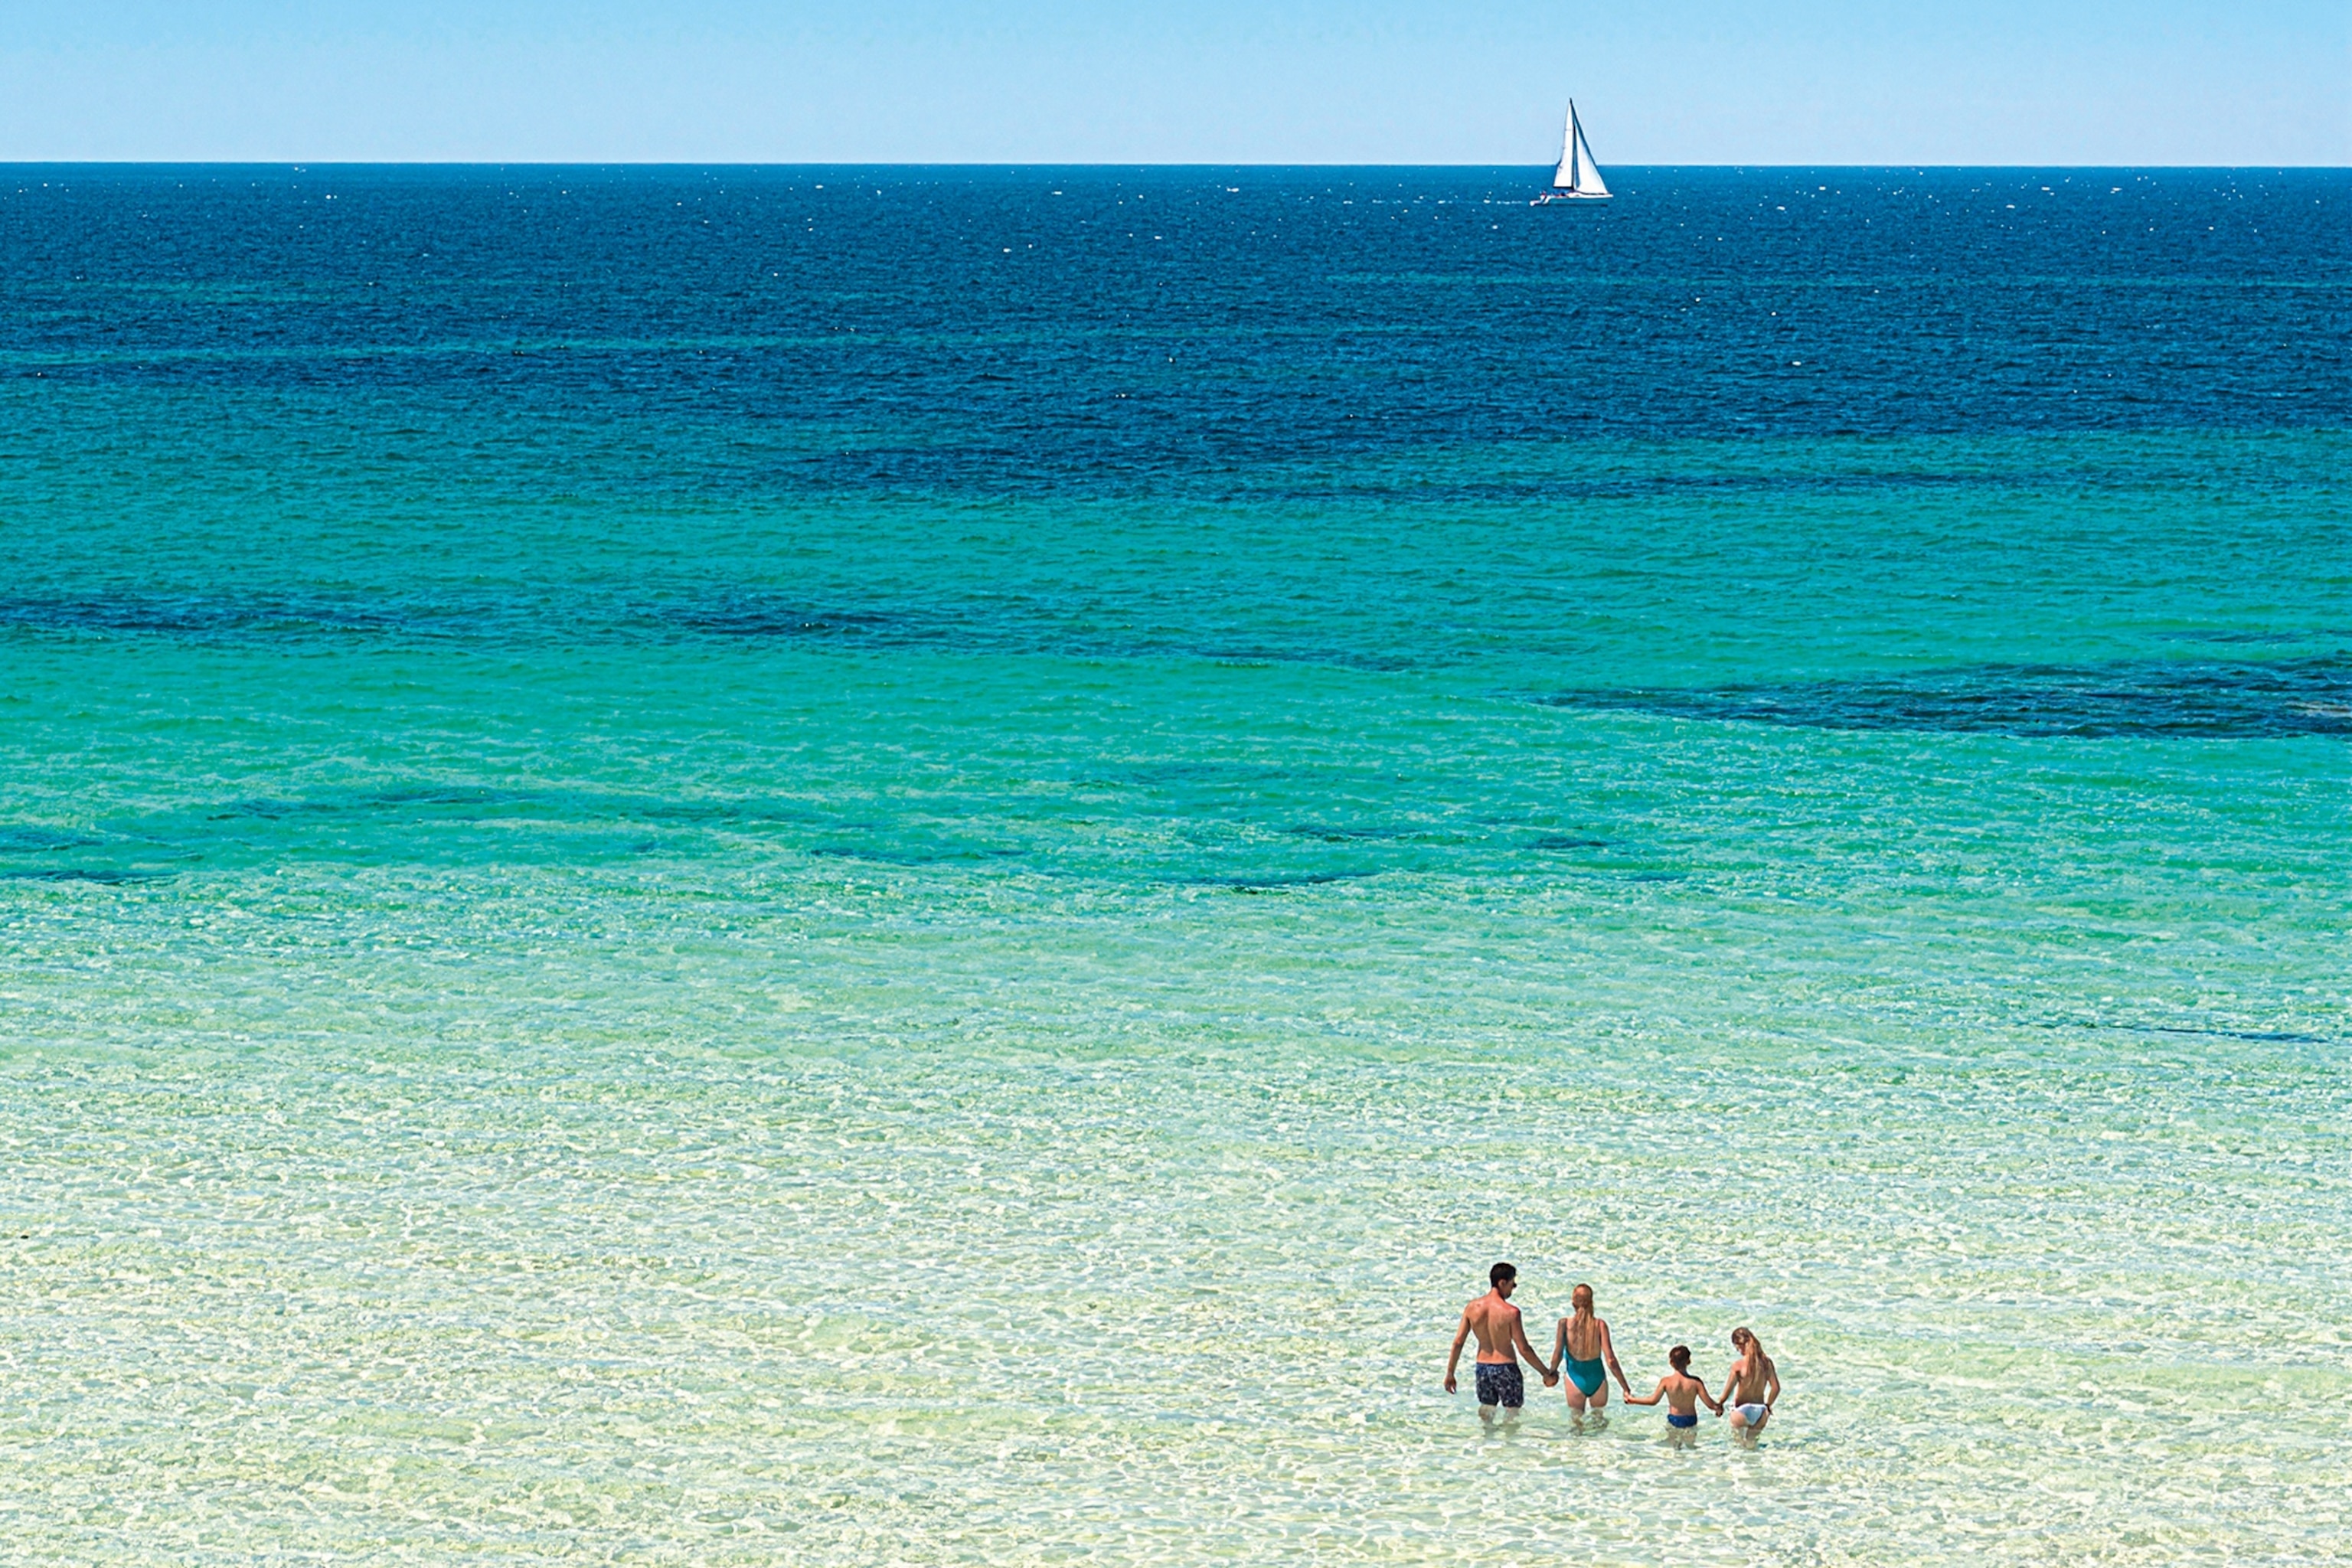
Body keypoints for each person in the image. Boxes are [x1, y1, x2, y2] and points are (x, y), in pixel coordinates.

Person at [1444, 1263, 1557, 1417]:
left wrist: (1450, 1373)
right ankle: (1509, 1442)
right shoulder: (1511, 1312)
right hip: (1506, 1368)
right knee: (1512, 1414)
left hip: (1483, 1368)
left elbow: (1458, 1342)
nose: (1513, 1288)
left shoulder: (1472, 1308)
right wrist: (1545, 1373)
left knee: (1486, 1410)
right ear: (1502, 1283)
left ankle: (1486, 1440)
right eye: (1513, 1284)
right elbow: (1524, 1349)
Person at [1547, 1283, 1632, 1414]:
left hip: (1574, 1378)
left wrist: (1551, 1373)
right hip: (1597, 1378)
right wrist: (1625, 1388)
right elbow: (1611, 1360)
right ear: (1592, 1302)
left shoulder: (1564, 1324)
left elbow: (1557, 1355)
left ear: (1573, 1302)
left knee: (1576, 1424)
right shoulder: (1600, 1325)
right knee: (1599, 1422)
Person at [1622, 1344, 1723, 1431]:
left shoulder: (1666, 1382)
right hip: (1691, 1419)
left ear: (1671, 1363)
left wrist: (1633, 1400)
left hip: (1674, 1418)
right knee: (1691, 1448)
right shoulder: (1696, 1382)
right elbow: (1709, 1404)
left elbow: (1653, 1401)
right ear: (1689, 1361)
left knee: (1674, 1447)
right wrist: (1718, 1408)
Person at [1715, 1325, 1781, 1434]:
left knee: (1739, 1447)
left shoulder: (1738, 1366)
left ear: (1739, 1345)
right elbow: (1776, 1388)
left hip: (1741, 1411)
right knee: (1753, 1446)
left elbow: (1727, 1392)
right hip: (1760, 1411)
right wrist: (1768, 1406)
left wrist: (1719, 1404)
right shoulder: (1766, 1363)